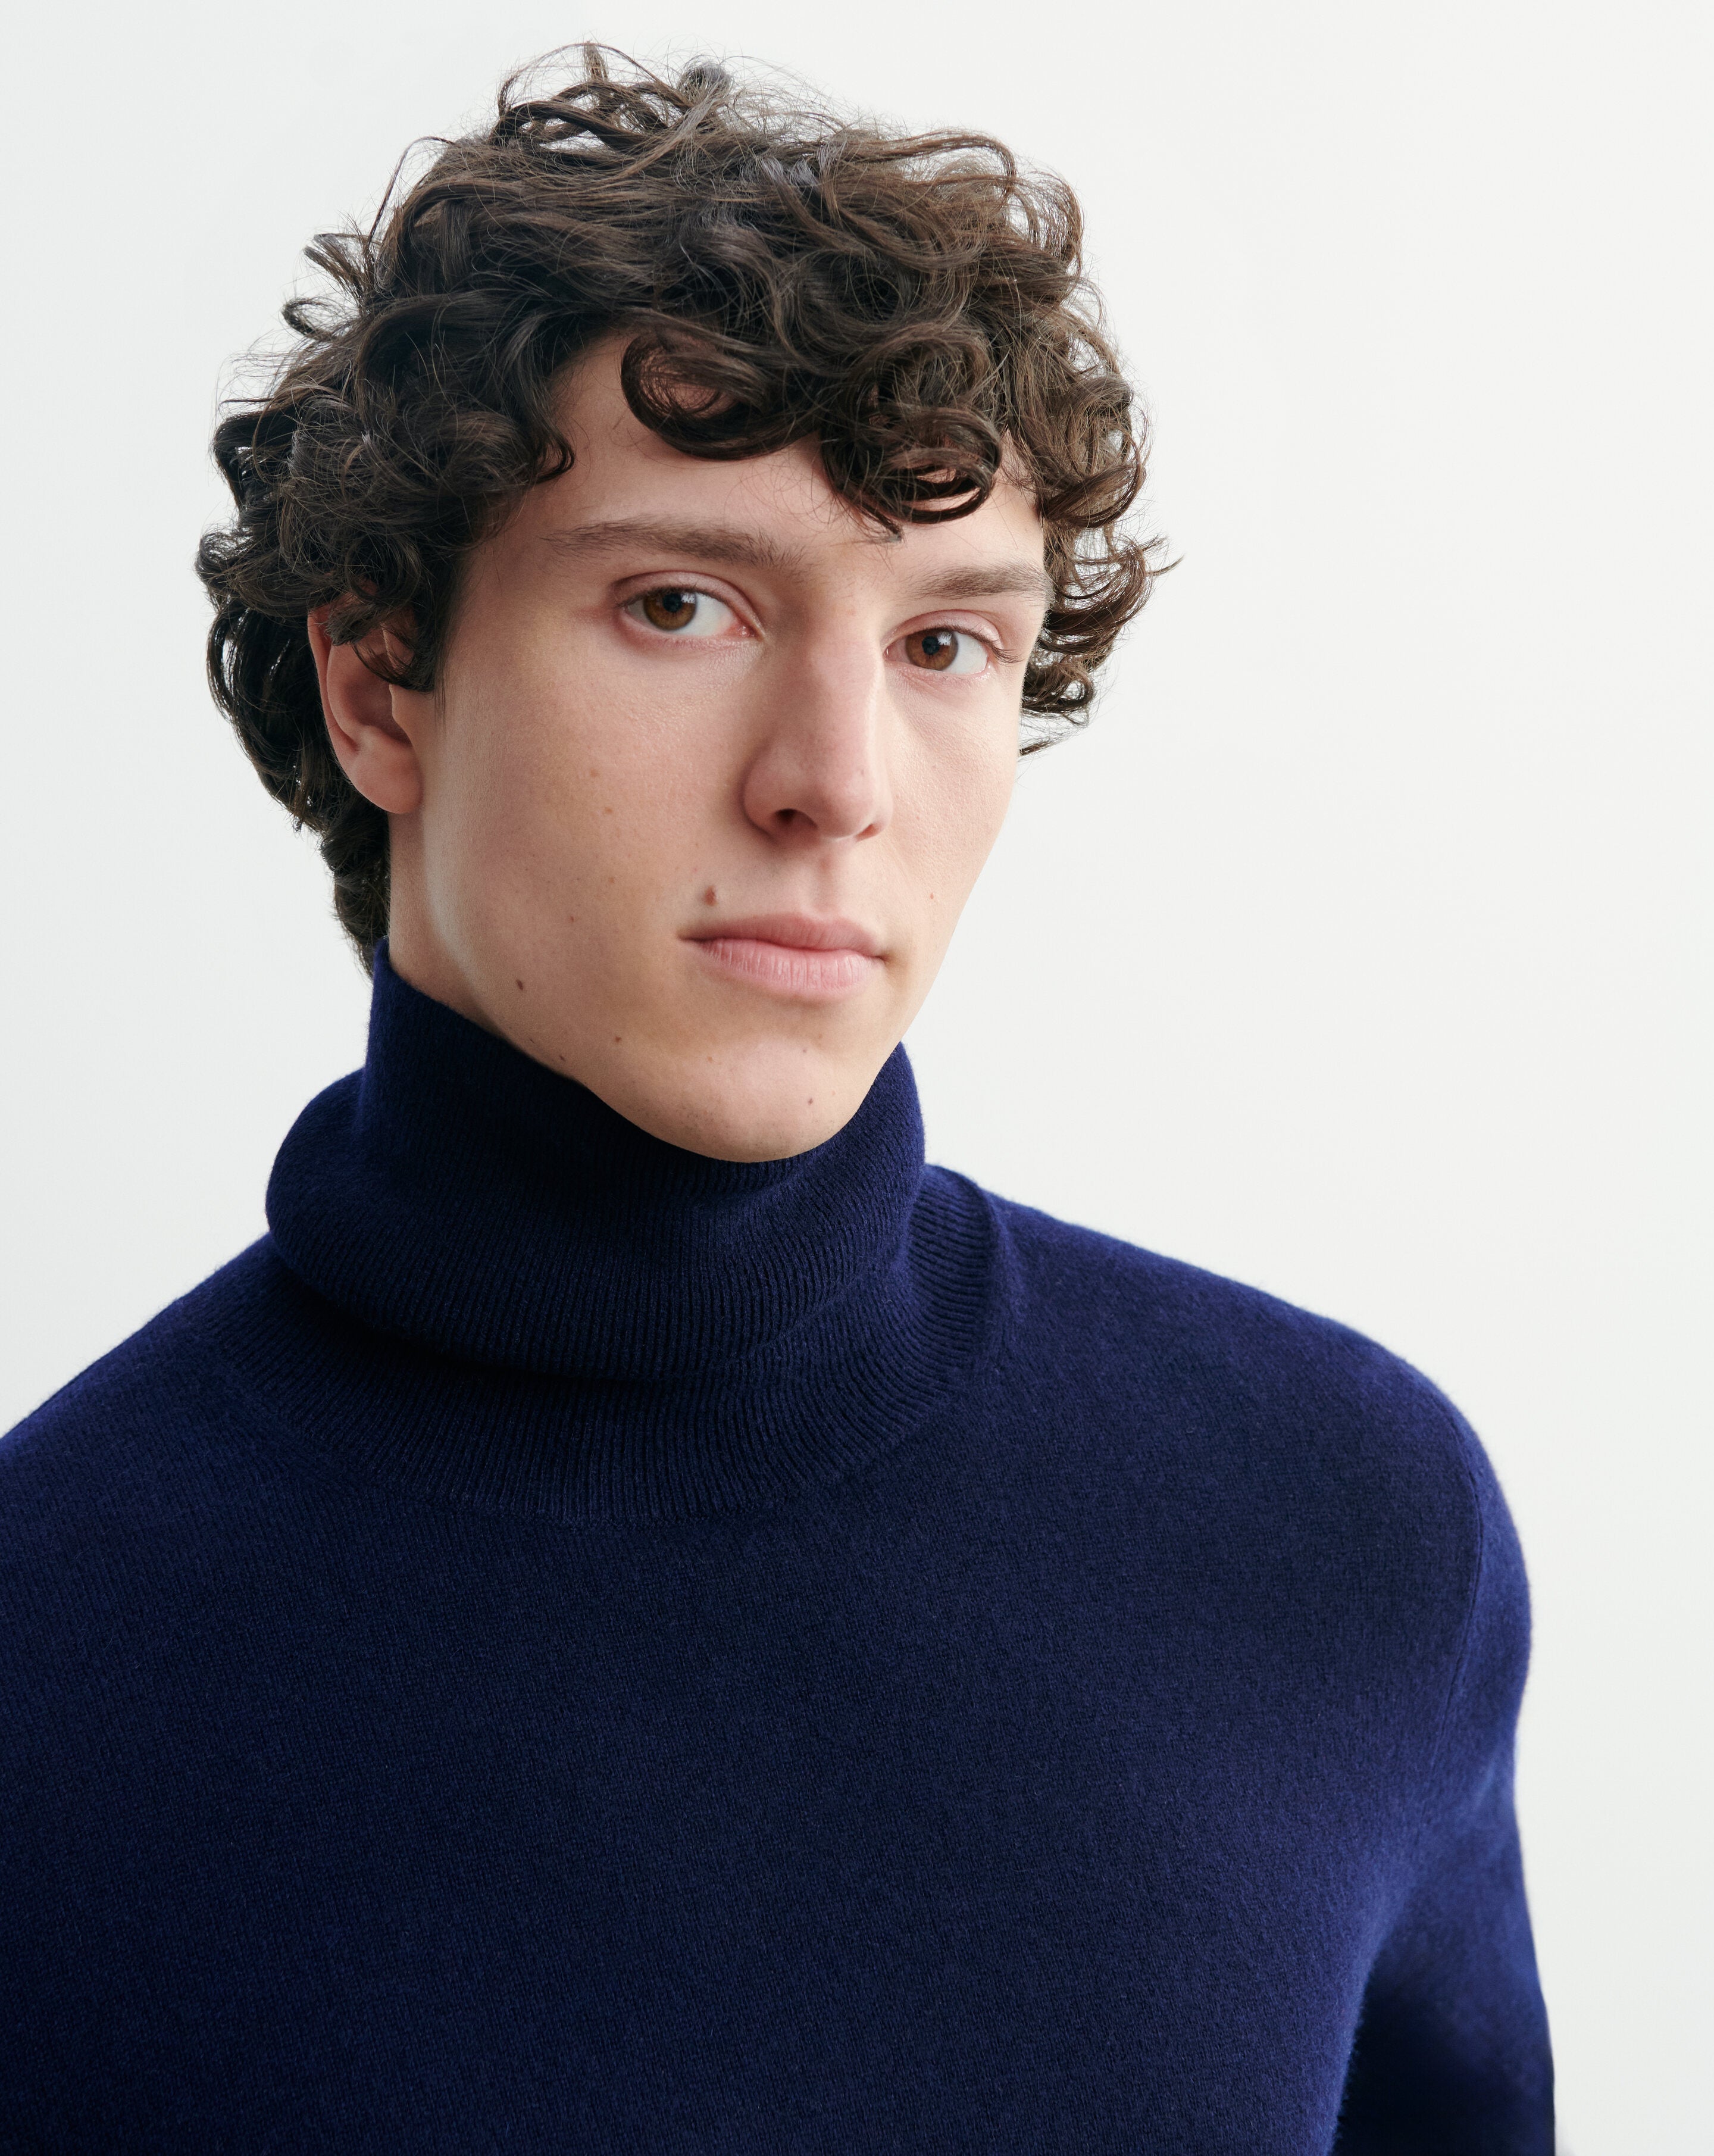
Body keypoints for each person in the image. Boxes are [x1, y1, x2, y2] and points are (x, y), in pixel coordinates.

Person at [0, 46, 1553, 2153]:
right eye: (682, 605)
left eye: (945, 645)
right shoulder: (50, 1649)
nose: (835, 780)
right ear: (378, 682)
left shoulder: (1343, 1529)